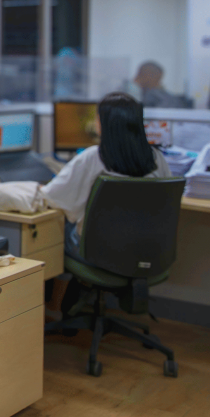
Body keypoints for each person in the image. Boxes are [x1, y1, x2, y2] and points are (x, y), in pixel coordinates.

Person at [42, 93, 171, 315]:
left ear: (104, 123)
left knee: (55, 230)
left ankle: (53, 307)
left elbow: (53, 197)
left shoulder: (93, 157)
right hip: (146, 253)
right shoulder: (156, 158)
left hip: (99, 255)